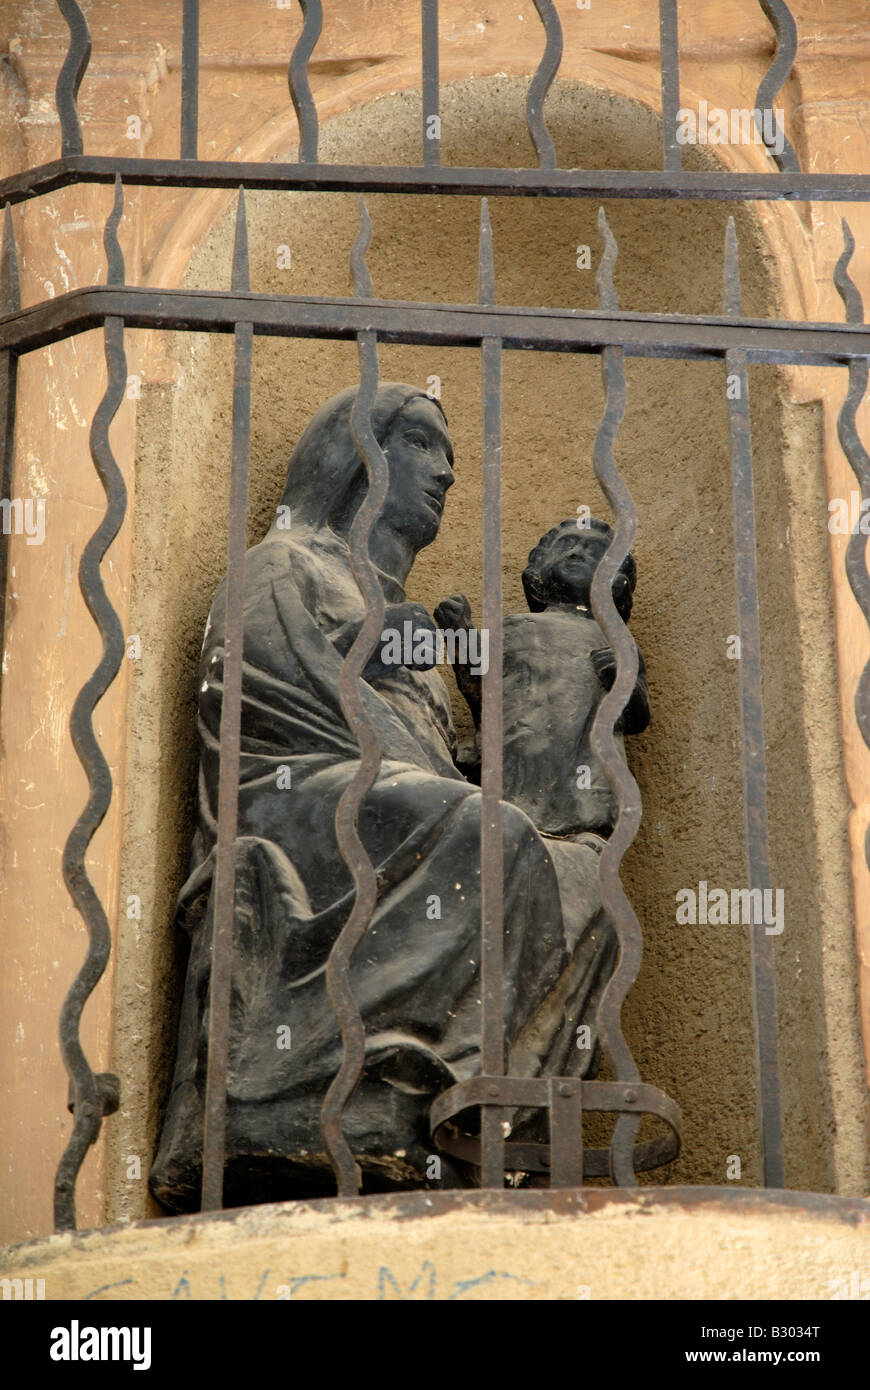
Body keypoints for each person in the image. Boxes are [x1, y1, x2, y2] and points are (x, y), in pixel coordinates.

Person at [150, 385, 613, 1212]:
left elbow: (428, 760)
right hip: (296, 812)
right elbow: (260, 706)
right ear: (361, 452)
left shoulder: (404, 625)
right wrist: (370, 668)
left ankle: (478, 1113)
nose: (445, 474)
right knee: (486, 831)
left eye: (451, 457)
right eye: (426, 445)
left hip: (392, 807)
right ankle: (374, 1087)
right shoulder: (284, 565)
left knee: (588, 889)